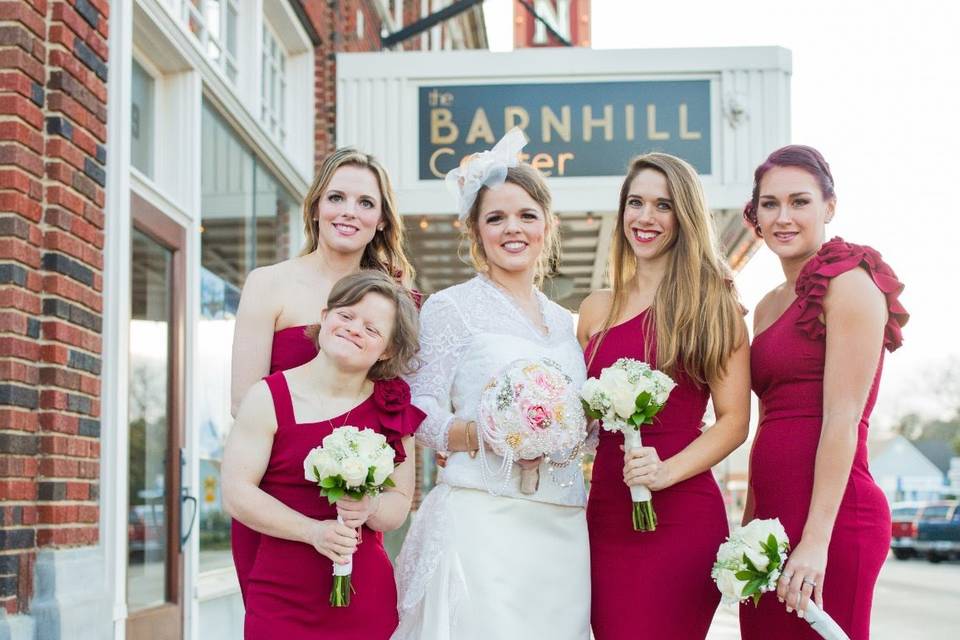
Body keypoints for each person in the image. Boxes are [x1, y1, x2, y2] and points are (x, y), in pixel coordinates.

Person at [393, 129, 591, 639]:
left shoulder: (566, 323)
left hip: (562, 524)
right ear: (476, 231)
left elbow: (585, 430)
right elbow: (417, 410)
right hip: (484, 515)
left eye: (526, 215)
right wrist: (483, 434)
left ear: (547, 224)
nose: (513, 228)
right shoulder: (450, 308)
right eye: (496, 218)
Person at [577, 153, 750, 639]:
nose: (645, 217)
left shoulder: (714, 306)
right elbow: (581, 421)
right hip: (608, 512)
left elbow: (735, 420)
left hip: (683, 513)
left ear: (685, 216)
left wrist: (666, 471)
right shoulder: (595, 310)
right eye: (636, 203)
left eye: (663, 205)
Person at [228, 148, 414, 598]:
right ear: (315, 207)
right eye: (337, 198)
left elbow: (395, 402)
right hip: (276, 495)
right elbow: (242, 399)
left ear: (383, 220)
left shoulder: (399, 295)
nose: (349, 212)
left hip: (355, 502)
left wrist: (359, 482)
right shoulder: (269, 283)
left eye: (366, 203)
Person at [739, 145, 908, 639]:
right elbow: (767, 423)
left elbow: (842, 419)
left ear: (829, 207)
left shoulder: (850, 282)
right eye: (769, 205)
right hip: (772, 523)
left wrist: (815, 541)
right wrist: (749, 527)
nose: (783, 217)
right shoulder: (767, 306)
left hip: (833, 521)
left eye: (800, 202)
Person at [222, 271, 425, 639]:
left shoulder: (393, 407)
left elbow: (398, 504)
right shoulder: (268, 397)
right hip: (281, 594)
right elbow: (237, 493)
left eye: (372, 328)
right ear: (325, 316)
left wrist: (370, 508)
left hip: (364, 598)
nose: (353, 329)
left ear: (389, 349)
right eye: (346, 316)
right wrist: (313, 532)